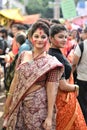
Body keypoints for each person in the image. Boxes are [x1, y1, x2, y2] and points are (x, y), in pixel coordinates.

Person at [4, 22, 64, 130]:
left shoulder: (51, 63)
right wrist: (8, 103)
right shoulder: (23, 55)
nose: (39, 39)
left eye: (43, 37)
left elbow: (52, 90)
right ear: (31, 38)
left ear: (48, 39)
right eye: (36, 36)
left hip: (38, 108)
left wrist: (49, 117)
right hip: (18, 103)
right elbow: (15, 80)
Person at [48, 24, 87, 130]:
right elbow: (62, 86)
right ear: (51, 38)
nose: (64, 40)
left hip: (65, 99)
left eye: (65, 37)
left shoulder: (55, 53)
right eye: (60, 37)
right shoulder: (55, 56)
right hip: (61, 100)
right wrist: (76, 87)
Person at [72, 27, 87, 124]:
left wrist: (71, 74)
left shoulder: (81, 45)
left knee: (83, 103)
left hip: (82, 79)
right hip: (82, 78)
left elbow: (74, 64)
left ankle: (83, 123)